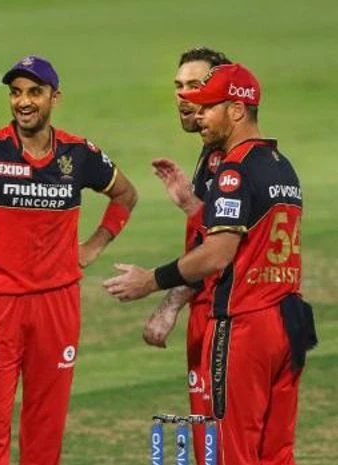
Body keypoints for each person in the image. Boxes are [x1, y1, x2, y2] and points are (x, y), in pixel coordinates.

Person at [0, 55, 138, 465]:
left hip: (57, 305)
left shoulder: (79, 154)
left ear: (54, 97)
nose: (23, 102)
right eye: (16, 93)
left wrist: (93, 247)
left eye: (34, 92)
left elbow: (126, 194)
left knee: (46, 426)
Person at [104, 63, 316, 464]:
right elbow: (254, 235)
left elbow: (218, 254)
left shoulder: (234, 170)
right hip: (291, 320)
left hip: (247, 323)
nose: (197, 115)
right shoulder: (280, 164)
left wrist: (150, 280)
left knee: (233, 449)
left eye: (208, 107)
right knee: (277, 453)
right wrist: (192, 204)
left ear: (237, 110)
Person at [143, 47, 230, 465]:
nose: (184, 95)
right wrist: (192, 205)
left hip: (229, 322)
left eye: (196, 85)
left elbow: (218, 255)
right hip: (212, 316)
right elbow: (211, 232)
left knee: (224, 447)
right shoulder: (212, 154)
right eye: (179, 86)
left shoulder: (235, 162)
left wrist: (165, 301)